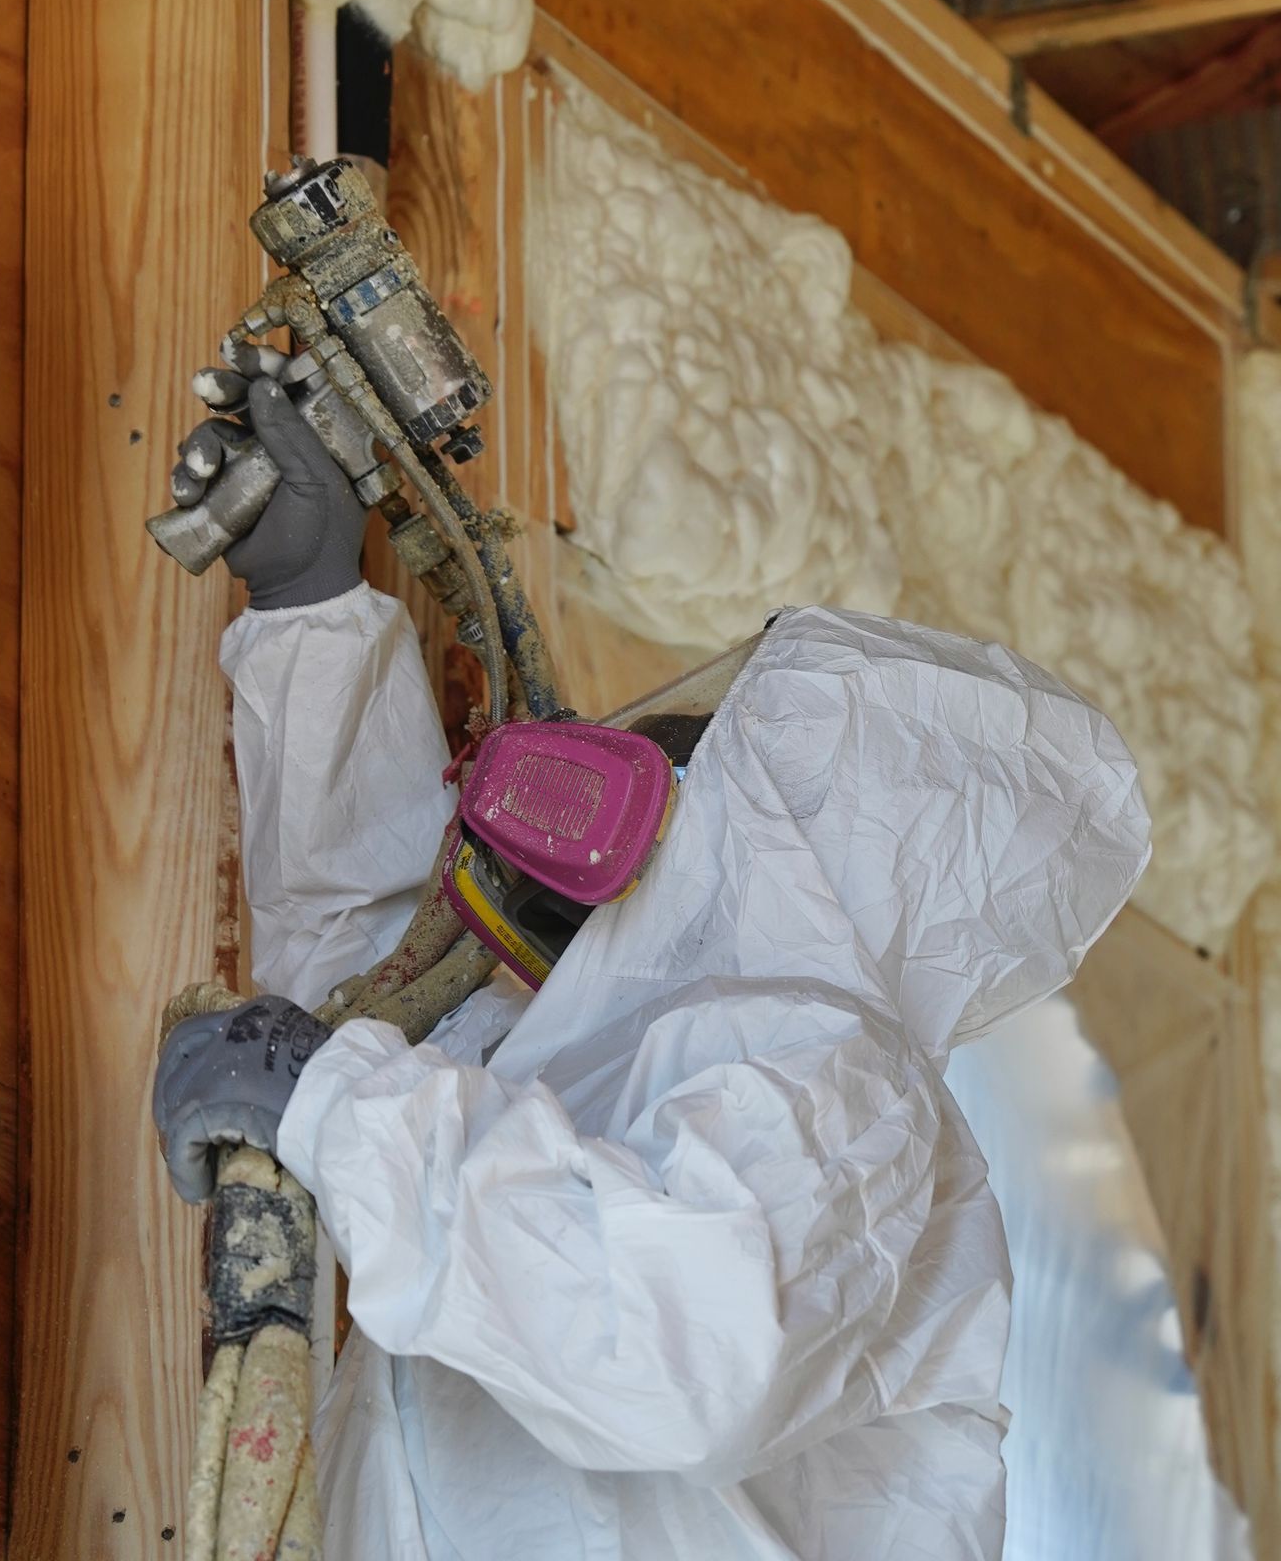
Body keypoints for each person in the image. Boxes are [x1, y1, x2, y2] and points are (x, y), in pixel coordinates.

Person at [153, 368, 1151, 1561]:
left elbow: (668, 1345)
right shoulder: (623, 1049)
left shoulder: (850, 1100)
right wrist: (310, 615)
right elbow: (386, 997)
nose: (659, 767)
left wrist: (327, 1102)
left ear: (801, 826)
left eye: (705, 751)